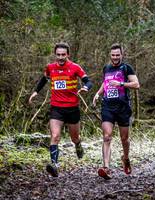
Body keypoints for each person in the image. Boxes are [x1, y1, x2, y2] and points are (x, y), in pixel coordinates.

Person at [29, 42, 92, 177]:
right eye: (58, 55)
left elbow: (88, 81)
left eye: (63, 54)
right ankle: (54, 165)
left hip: (72, 108)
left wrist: (86, 88)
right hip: (56, 108)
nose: (61, 57)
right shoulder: (50, 67)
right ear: (55, 54)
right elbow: (44, 80)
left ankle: (78, 145)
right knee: (55, 136)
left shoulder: (75, 67)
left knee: (74, 138)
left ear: (68, 54)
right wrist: (36, 92)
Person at [93, 43, 140, 179]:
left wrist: (121, 84)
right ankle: (106, 168)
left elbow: (136, 84)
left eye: (117, 55)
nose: (115, 58)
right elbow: (105, 82)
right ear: (110, 55)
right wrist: (98, 93)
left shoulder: (126, 68)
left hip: (123, 107)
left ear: (121, 55)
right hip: (107, 106)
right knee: (107, 136)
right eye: (113, 55)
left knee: (124, 139)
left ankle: (125, 158)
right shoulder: (106, 68)